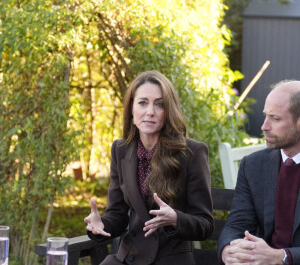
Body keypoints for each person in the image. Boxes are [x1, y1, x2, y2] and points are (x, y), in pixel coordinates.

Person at [84, 70, 214, 265]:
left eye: (159, 104)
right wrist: (101, 224)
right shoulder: (121, 150)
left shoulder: (192, 153)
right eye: (143, 103)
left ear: (168, 111)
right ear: (131, 109)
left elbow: (205, 224)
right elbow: (117, 215)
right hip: (128, 258)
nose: (150, 111)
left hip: (170, 260)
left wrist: (175, 218)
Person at [218, 80, 300, 265]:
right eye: (266, 116)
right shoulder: (253, 165)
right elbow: (237, 223)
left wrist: (282, 256)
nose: (264, 126)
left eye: (275, 118)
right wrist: (229, 250)